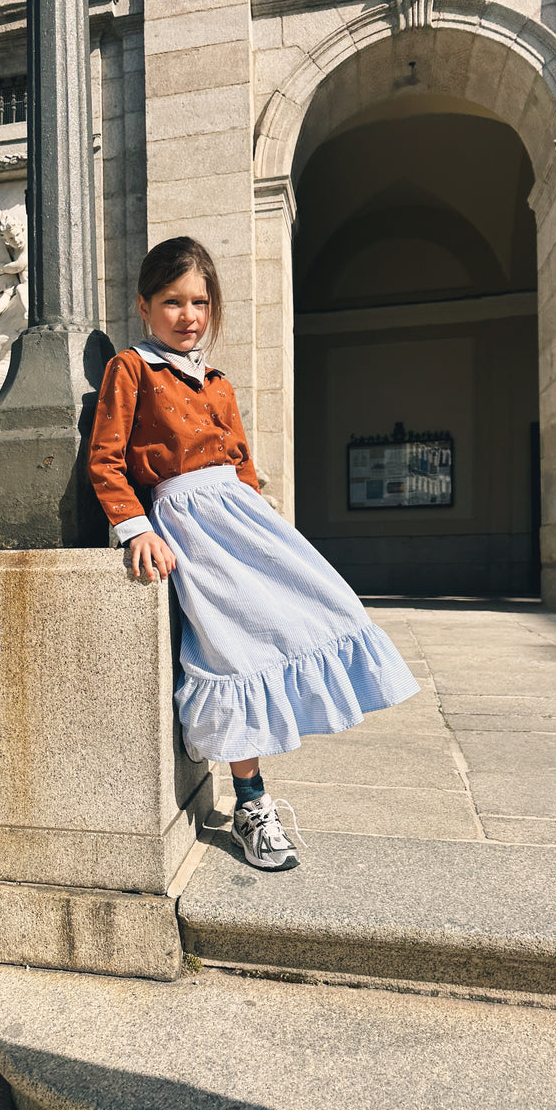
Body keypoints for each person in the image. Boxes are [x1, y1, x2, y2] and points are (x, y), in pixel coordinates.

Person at [88, 237, 419, 872]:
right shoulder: (131, 368)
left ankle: (258, 791)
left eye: (200, 302)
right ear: (144, 306)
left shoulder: (218, 381)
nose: (189, 316)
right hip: (186, 523)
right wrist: (138, 528)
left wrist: (262, 517)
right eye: (172, 302)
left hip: (242, 520)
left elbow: (241, 462)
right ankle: (252, 803)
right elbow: (106, 460)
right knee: (232, 651)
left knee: (327, 603)